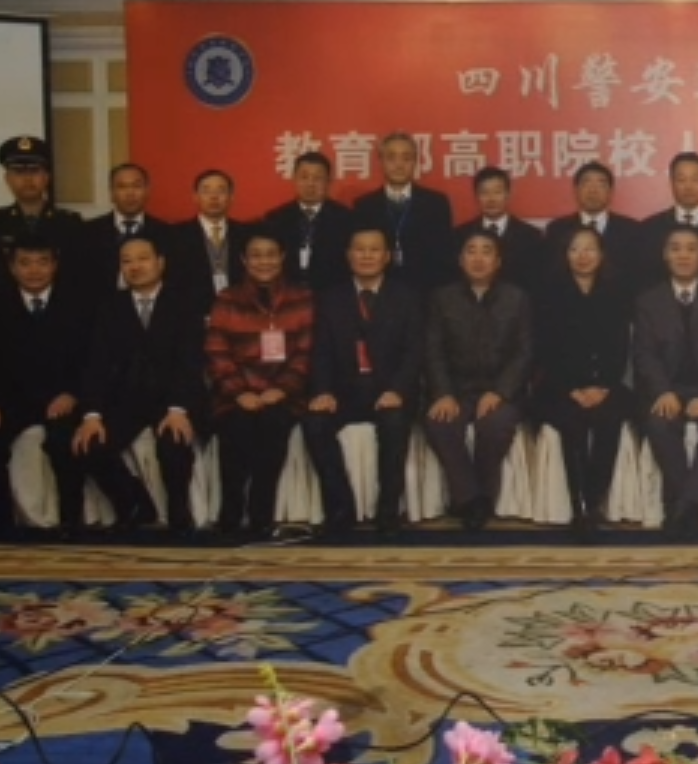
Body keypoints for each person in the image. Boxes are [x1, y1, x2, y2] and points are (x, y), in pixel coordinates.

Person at [70, 233, 206, 539]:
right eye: (127, 261)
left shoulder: (184, 304)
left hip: (171, 399)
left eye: (143, 259)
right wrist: (92, 415)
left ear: (160, 263)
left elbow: (190, 362)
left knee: (173, 442)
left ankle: (179, 512)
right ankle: (133, 502)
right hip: (125, 401)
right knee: (89, 445)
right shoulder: (110, 307)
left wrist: (178, 409)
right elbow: (96, 365)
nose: (135, 267)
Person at [0, 230, 90, 538]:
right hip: (13, 402)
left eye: (42, 262)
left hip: (63, 400)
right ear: (12, 267)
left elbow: (92, 358)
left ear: (54, 265)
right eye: (25, 263)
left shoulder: (78, 303)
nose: (34, 270)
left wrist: (73, 393)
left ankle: (70, 522)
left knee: (63, 440)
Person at [303, 225, 425, 537]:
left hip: (391, 391)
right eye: (360, 249)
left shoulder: (407, 297)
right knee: (315, 423)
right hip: (345, 392)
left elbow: (414, 352)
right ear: (348, 255)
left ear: (387, 256)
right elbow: (321, 351)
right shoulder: (331, 298)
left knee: (394, 422)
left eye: (374, 249)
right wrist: (323, 391)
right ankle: (341, 509)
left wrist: (397, 390)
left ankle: (388, 511)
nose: (366, 256)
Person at [628, 221, 698, 536]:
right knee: (659, 423)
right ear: (665, 255)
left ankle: (684, 505)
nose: (683, 255)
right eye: (675, 249)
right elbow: (644, 355)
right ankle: (689, 503)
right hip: (669, 388)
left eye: (691, 249)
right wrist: (663, 391)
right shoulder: (648, 300)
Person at [202, 232, 317, 542]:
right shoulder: (227, 299)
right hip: (236, 396)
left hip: (284, 395)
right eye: (255, 255)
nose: (263, 261)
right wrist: (240, 392)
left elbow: (306, 351)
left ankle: (260, 516)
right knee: (235, 430)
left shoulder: (302, 298)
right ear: (243, 260)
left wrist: (282, 389)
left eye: (270, 254)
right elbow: (216, 351)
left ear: (282, 257)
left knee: (272, 428)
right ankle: (230, 515)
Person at [419, 225, 532, 528]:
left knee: (494, 425)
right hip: (456, 390)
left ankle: (476, 499)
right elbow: (433, 350)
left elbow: (524, 352)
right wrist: (443, 393)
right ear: (460, 259)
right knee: (440, 423)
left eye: (486, 252)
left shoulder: (517, 298)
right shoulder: (442, 298)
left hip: (501, 391)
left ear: (498, 261)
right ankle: (472, 499)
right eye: (471, 252)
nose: (478, 259)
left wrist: (500, 392)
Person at [529, 220, 633, 539]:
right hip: (559, 386)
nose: (582, 256)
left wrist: (603, 387)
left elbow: (621, 347)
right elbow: (545, 349)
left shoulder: (617, 292)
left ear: (602, 254)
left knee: (609, 420)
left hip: (606, 385)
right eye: (574, 249)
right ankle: (579, 507)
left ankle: (594, 500)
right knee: (572, 421)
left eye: (590, 249)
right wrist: (572, 389)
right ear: (565, 255)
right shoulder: (548, 293)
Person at [0, 132, 69, 346]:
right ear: (7, 179)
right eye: (19, 172)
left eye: (35, 171)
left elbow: (79, 286)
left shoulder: (69, 222)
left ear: (46, 177)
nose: (28, 179)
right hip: (5, 335)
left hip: (60, 335)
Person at [357, 132, 455, 286]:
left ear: (415, 162)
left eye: (406, 158)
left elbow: (443, 255)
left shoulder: (436, 203)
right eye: (391, 158)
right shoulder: (364, 206)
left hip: (425, 289)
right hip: (381, 290)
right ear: (380, 161)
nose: (399, 165)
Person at [262, 152, 358, 288]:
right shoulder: (275, 218)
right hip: (286, 293)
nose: (310, 184)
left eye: (318, 178)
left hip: (332, 291)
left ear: (329, 182)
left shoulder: (346, 218)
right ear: (294, 179)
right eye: (304, 177)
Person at [633, 151, 698, 283]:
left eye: (695, 180)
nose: (688, 187)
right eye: (681, 180)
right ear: (671, 183)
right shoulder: (650, 228)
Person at [164, 167, 249, 304]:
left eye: (221, 190)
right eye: (206, 191)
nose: (214, 197)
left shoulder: (246, 233)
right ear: (195, 197)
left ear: (231, 197)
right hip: (192, 309)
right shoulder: (175, 235)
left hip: (239, 308)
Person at [73, 160, 168, 276]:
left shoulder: (166, 233)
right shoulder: (86, 233)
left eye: (136, 186)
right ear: (112, 193)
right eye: (122, 187)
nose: (130, 193)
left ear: (147, 191)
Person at [453, 165, 543, 281]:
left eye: (497, 192)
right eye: (484, 192)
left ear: (508, 194)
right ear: (476, 196)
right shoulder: (460, 235)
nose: (491, 199)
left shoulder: (531, 236)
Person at [556, 160, 631, 267]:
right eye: (586, 183)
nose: (593, 190)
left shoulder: (630, 230)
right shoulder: (558, 229)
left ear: (611, 191)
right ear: (576, 190)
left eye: (601, 184)